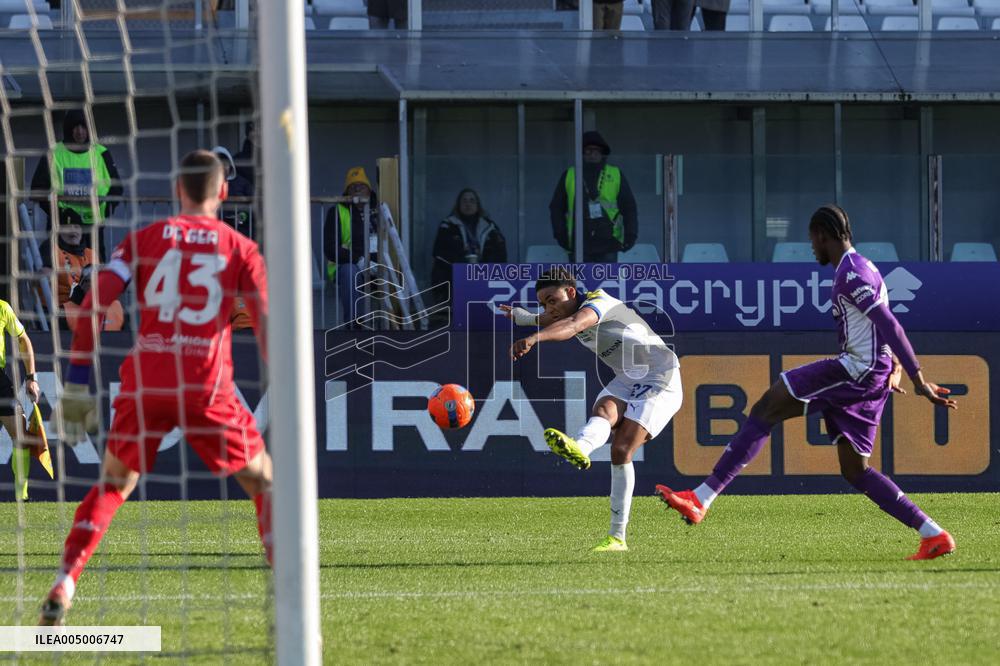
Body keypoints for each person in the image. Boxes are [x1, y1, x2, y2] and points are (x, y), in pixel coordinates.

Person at [40, 150, 273, 625]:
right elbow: (267, 321)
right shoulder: (241, 248)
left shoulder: (141, 240)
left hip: (146, 382)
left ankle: (66, 580)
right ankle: (289, 599)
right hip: (207, 384)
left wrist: (80, 380)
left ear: (176, 190)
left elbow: (94, 305)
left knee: (113, 485)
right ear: (223, 192)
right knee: (267, 484)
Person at [656, 204, 957, 561]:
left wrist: (918, 376)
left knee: (766, 408)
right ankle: (933, 534)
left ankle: (700, 498)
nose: (811, 248)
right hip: (872, 373)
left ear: (822, 235)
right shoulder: (866, 267)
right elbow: (879, 326)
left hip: (855, 371)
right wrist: (891, 364)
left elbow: (890, 324)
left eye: (811, 240)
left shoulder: (853, 274)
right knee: (855, 471)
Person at [503, 272, 682, 552]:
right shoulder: (561, 310)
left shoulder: (599, 302)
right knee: (603, 409)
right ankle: (582, 448)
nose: (549, 308)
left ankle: (617, 537)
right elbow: (548, 318)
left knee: (621, 449)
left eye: (552, 300)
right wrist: (523, 317)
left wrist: (534, 339)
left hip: (661, 375)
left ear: (571, 293)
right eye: (543, 302)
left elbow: (574, 324)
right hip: (628, 376)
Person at [30, 109, 123, 265]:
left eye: (84, 126)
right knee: (60, 270)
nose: (80, 131)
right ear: (68, 129)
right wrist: (58, 213)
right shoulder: (54, 153)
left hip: (93, 226)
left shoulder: (101, 153)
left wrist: (106, 210)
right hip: (62, 227)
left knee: (94, 270)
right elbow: (38, 189)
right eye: (75, 127)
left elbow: (116, 188)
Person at [549, 131, 638, 263]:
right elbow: (556, 208)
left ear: (602, 154)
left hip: (609, 243)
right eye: (588, 151)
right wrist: (560, 234)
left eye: (597, 151)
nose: (592, 154)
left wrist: (631, 234)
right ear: (582, 153)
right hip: (578, 244)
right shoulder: (569, 175)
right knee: (579, 283)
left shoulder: (615, 174)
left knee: (607, 283)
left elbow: (629, 207)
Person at [324, 166, 385, 325]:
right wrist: (359, 260)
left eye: (361, 185)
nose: (357, 189)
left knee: (393, 272)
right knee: (351, 271)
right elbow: (330, 248)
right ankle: (354, 325)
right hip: (347, 266)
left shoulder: (380, 211)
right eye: (353, 186)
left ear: (369, 190)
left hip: (376, 266)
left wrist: (376, 265)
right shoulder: (337, 211)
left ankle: (393, 325)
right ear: (347, 193)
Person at [431, 188, 508, 306]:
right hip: (455, 272)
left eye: (472, 200)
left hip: (484, 273)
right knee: (440, 268)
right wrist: (463, 265)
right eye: (464, 201)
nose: (468, 204)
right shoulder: (447, 225)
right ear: (459, 205)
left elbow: (500, 251)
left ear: (478, 205)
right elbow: (440, 251)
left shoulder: (489, 226)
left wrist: (483, 268)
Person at [1, 299, 41, 501]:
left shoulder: (2, 308)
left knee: (21, 433)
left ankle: (21, 495)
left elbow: (23, 339)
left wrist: (31, 378)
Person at [54, 224, 125, 332]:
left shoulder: (117, 307)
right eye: (91, 281)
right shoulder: (65, 312)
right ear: (83, 284)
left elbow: (128, 338)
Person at [213, 145, 255, 239]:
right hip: (215, 233)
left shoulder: (243, 183)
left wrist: (242, 216)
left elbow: (255, 206)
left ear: (230, 165)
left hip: (241, 232)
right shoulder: (205, 185)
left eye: (225, 164)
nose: (222, 168)